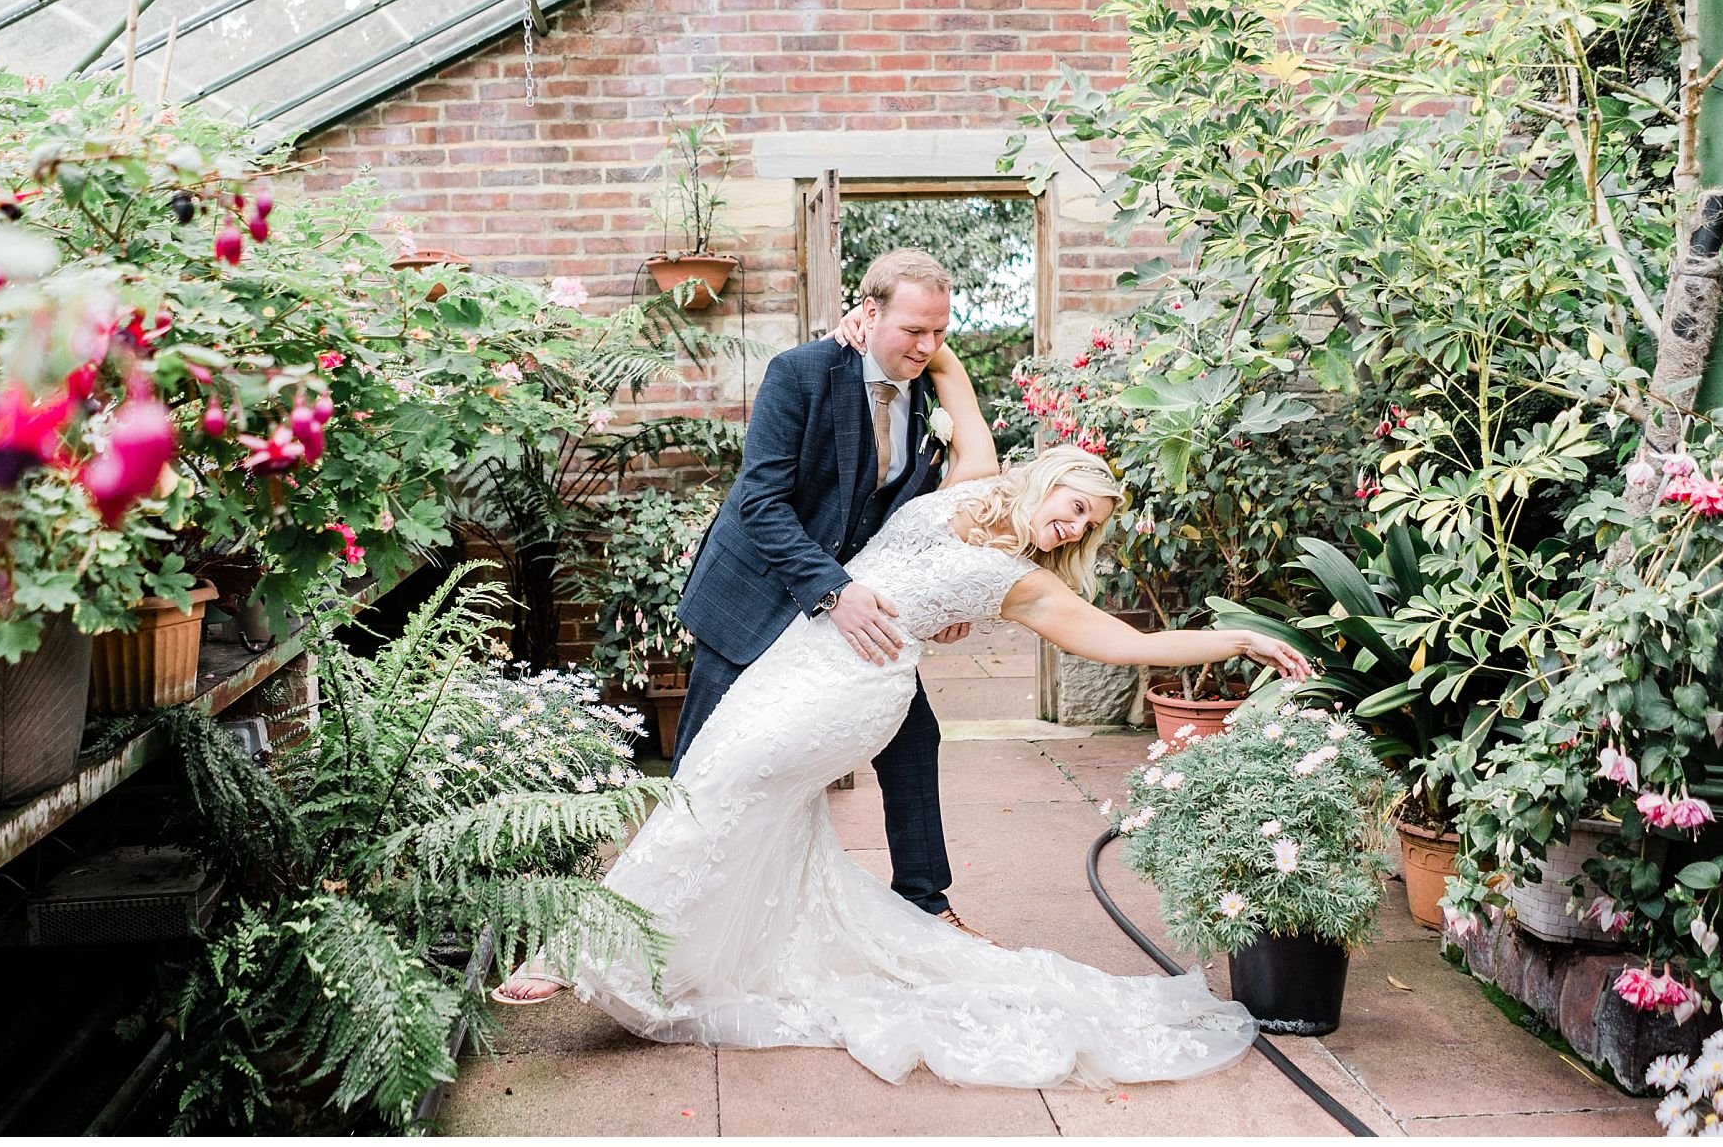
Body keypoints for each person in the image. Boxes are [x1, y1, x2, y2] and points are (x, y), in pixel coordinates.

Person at [492, 319, 1315, 1091]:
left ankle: (581, 952)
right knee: (724, 791)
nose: (1072, 529)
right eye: (1074, 508)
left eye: (1088, 528)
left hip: (855, 684)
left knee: (720, 790)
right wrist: (888, 335)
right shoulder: (975, 482)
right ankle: (701, 954)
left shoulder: (1024, 584)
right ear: (1052, 478)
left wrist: (1236, 641)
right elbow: (949, 376)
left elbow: (1126, 645)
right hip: (800, 651)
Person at [669, 248, 977, 933]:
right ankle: (660, 910)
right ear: (868, 315)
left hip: (850, 606)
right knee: (704, 760)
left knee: (912, 732)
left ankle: (925, 904)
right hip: (758, 595)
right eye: (913, 331)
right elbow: (760, 503)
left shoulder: (930, 395)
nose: (928, 346)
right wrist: (835, 590)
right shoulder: (801, 374)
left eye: (940, 332)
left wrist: (951, 598)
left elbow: (925, 514)